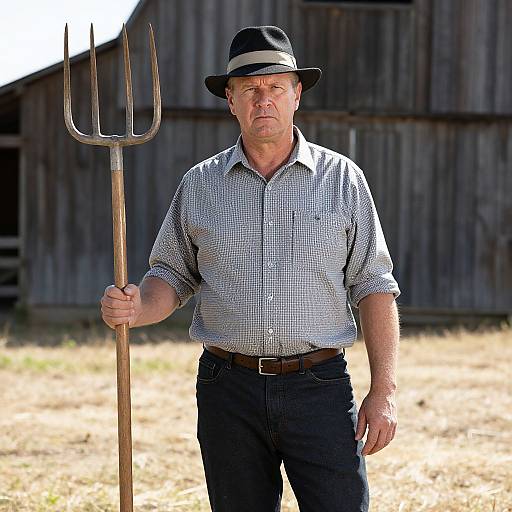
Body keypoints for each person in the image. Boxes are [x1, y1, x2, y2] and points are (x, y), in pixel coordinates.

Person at [101, 25, 401, 512]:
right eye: (249, 89)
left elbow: (374, 286)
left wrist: (383, 391)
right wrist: (135, 308)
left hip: (319, 389)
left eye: (275, 86)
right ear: (231, 101)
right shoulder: (200, 185)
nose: (264, 99)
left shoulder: (343, 180)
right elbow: (171, 277)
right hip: (228, 390)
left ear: (296, 94)